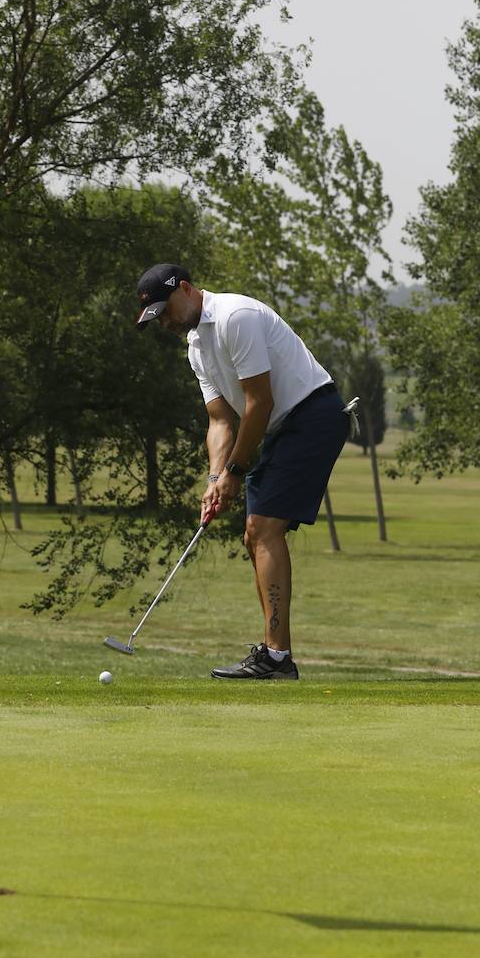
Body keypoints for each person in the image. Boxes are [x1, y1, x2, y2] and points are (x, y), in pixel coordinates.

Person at [136, 262, 354, 680]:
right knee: (254, 533)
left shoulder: (236, 317)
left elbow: (259, 402)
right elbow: (219, 420)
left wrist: (235, 470)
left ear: (185, 288)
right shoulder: (196, 346)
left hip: (313, 416)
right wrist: (215, 478)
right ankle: (276, 656)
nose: (163, 321)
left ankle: (275, 657)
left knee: (263, 526)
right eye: (155, 317)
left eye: (164, 310)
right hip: (285, 427)